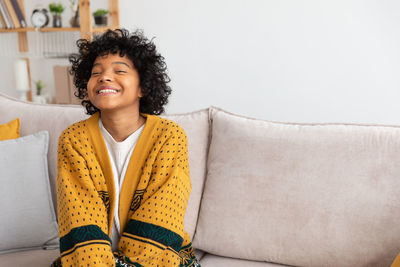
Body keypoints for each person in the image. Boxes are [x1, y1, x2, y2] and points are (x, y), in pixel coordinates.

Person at [51, 29, 199, 267]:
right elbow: (78, 215)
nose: (104, 77)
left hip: (157, 259)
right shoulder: (73, 140)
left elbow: (164, 210)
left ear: (143, 87)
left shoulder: (169, 137)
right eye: (95, 72)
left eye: (119, 70)